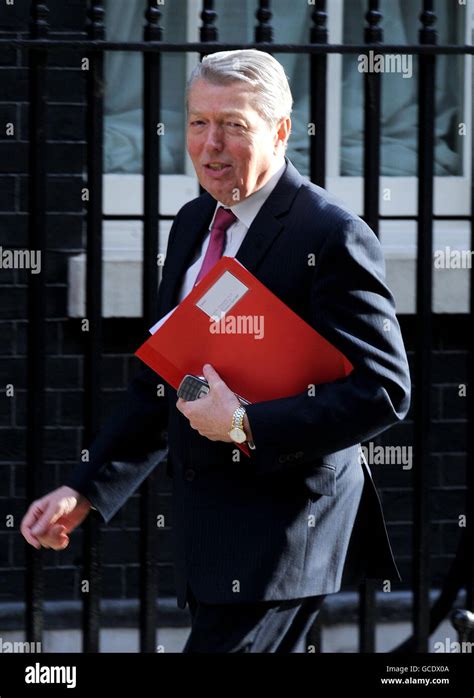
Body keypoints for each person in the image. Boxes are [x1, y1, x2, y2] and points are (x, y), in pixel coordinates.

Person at [21, 49, 411, 653]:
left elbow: (383, 391)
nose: (210, 145)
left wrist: (243, 425)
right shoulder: (193, 223)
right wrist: (87, 489)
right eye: (199, 123)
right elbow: (164, 381)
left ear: (280, 132)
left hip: (287, 532)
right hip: (210, 534)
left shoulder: (329, 232)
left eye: (234, 125)